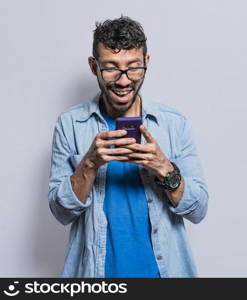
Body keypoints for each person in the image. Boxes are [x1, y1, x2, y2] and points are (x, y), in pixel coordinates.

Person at [48, 15, 208, 278]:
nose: (123, 81)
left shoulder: (173, 123)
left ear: (146, 62)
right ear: (93, 66)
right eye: (111, 67)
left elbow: (198, 210)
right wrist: (89, 164)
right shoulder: (70, 124)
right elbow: (61, 213)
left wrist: (166, 170)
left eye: (133, 67)